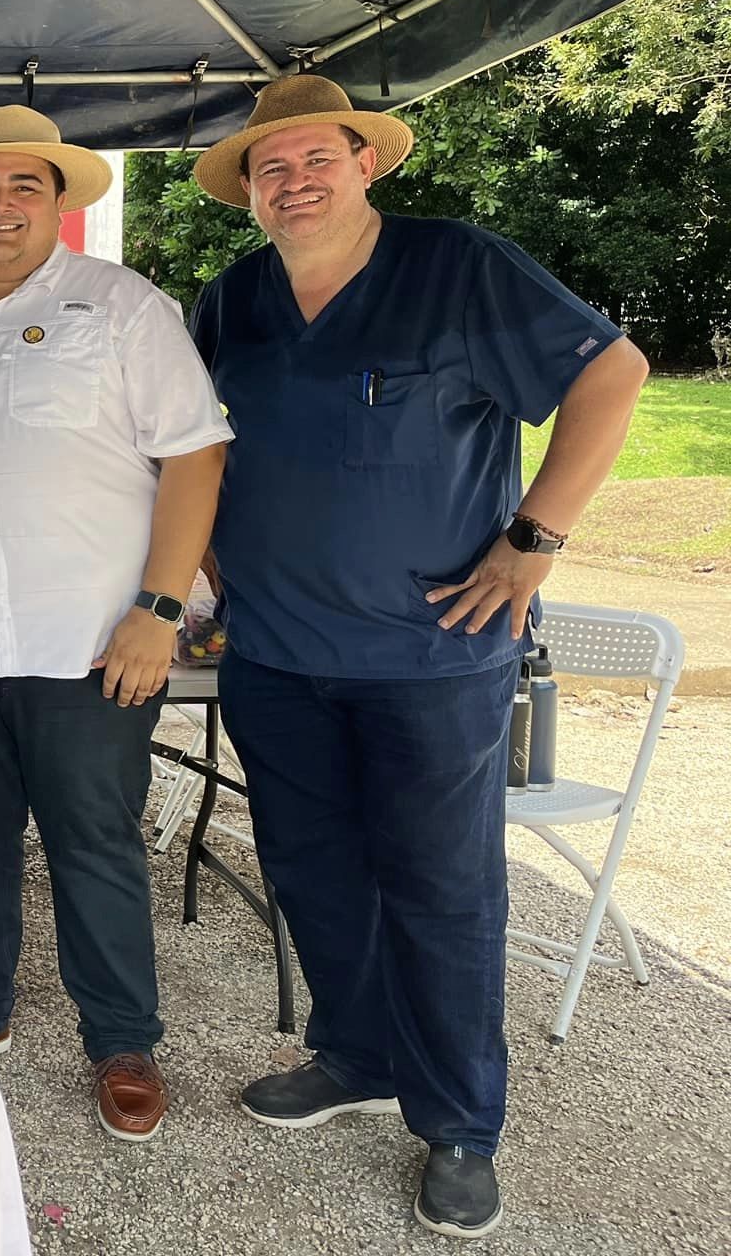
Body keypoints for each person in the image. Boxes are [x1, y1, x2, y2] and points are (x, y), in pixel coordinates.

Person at [186, 75, 649, 1239]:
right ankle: (352, 1056)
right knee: (310, 869)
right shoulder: (229, 301)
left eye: (311, 159)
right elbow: (188, 450)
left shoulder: (457, 265)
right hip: (274, 653)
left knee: (441, 890)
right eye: (266, 167)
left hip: (432, 657)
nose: (290, 182)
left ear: (363, 163)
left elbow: (612, 375)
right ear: (246, 191)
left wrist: (530, 541)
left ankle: (457, 1123)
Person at [0, 105, 231, 1142]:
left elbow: (195, 455)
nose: (0, 205)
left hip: (91, 640)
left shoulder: (119, 308)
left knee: (92, 839)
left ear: (59, 203)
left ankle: (119, 1039)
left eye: (25, 186)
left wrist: (158, 610)